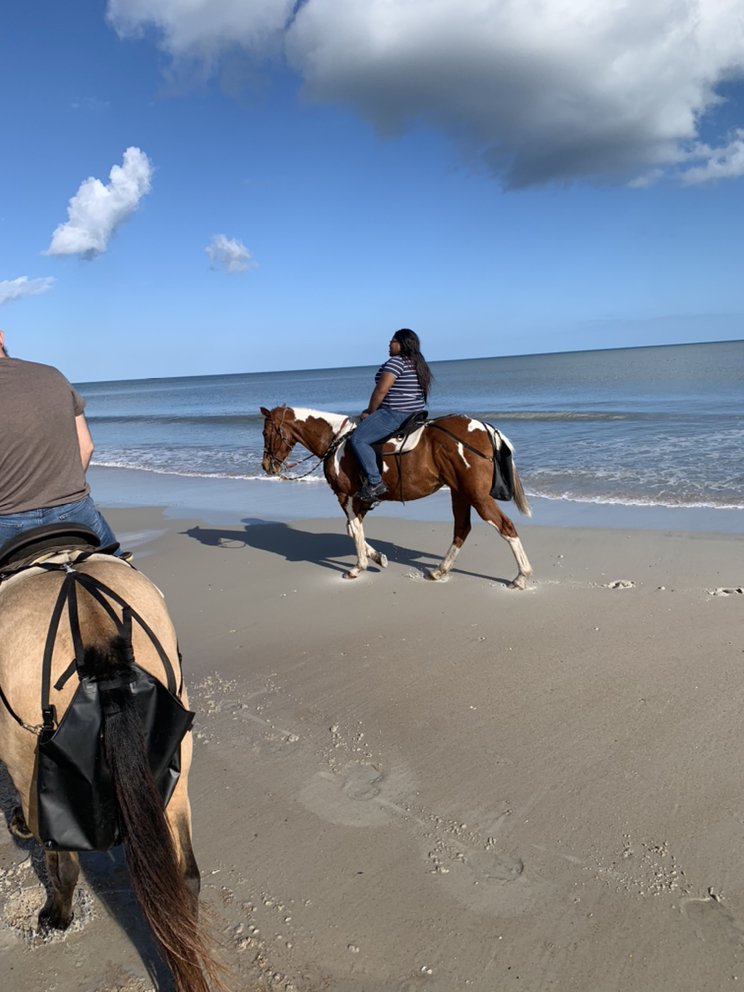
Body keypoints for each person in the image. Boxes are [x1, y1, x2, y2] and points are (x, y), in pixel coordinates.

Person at [0, 328, 118, 552]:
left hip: (6, 521)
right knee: (124, 572)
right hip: (75, 511)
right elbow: (86, 447)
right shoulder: (53, 375)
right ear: (0, 337)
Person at [349, 328, 433, 503]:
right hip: (416, 412)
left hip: (396, 413)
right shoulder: (417, 363)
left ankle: (375, 482)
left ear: (402, 344)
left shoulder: (396, 362)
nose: (389, 343)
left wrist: (370, 412)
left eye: (393, 341)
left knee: (358, 439)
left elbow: (381, 390)